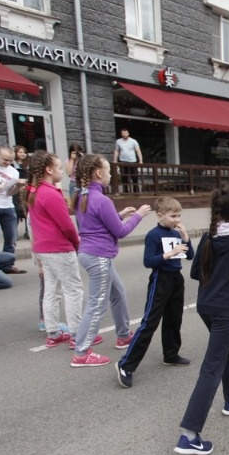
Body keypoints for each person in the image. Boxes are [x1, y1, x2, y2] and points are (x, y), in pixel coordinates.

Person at [174, 187, 229, 455]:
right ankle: (189, 435)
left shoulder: (210, 235)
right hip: (226, 311)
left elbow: (195, 272)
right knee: (212, 366)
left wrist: (216, 280)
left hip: (206, 306)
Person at [70, 154, 152, 368]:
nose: (110, 175)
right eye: (108, 170)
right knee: (97, 304)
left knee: (118, 293)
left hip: (91, 253)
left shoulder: (82, 195)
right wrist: (138, 215)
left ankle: (123, 335)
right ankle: (81, 352)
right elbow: (120, 231)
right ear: (99, 173)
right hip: (99, 256)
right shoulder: (102, 199)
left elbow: (96, 222)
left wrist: (120, 214)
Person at [116, 197, 194, 389]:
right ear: (160, 216)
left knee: (174, 319)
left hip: (176, 279)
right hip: (161, 279)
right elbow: (148, 261)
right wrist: (169, 254)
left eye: (179, 215)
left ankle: (171, 354)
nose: (177, 219)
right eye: (173, 216)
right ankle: (126, 365)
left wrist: (186, 238)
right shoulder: (154, 235)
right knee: (149, 323)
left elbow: (190, 256)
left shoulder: (176, 232)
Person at [26, 150, 84, 348]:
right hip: (58, 247)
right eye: (59, 167)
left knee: (52, 290)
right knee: (73, 290)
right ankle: (77, 334)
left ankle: (53, 331)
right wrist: (76, 242)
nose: (62, 171)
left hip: (43, 248)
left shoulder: (35, 192)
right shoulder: (51, 193)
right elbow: (66, 225)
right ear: (49, 170)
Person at [113, 128, 143, 193]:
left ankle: (136, 191)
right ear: (121, 134)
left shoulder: (133, 141)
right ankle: (125, 191)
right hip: (122, 161)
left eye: (126, 133)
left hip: (132, 161)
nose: (124, 134)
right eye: (123, 133)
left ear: (128, 133)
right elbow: (116, 151)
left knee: (134, 177)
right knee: (124, 177)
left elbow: (138, 151)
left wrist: (141, 161)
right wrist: (115, 160)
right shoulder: (118, 141)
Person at [12, 145, 30, 239]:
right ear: (15, 153)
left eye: (24, 152)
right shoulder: (12, 165)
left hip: (27, 189)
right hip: (16, 189)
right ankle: (14, 233)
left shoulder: (28, 164)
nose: (23, 154)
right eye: (20, 152)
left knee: (28, 209)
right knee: (16, 210)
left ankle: (28, 231)